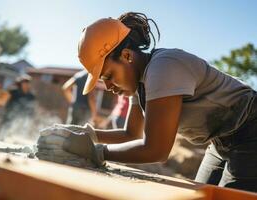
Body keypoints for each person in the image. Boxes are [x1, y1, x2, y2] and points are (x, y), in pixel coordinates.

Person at [41, 12, 257, 192]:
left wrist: (95, 152)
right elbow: (131, 133)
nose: (107, 87)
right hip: (221, 142)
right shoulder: (140, 82)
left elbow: (156, 149)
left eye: (108, 76)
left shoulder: (164, 68)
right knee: (200, 195)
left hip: (251, 131)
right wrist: (86, 134)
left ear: (126, 56)